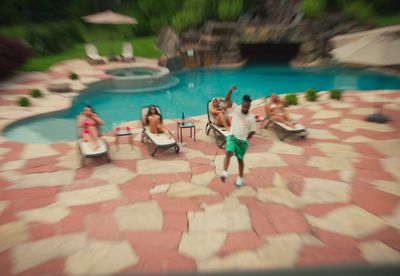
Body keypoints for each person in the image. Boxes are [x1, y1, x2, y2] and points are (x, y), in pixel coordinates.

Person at [220, 86, 256, 187]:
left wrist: (246, 139)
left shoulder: (251, 118)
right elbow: (227, 100)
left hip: (242, 142)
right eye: (244, 105)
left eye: (247, 106)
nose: (245, 107)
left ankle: (240, 179)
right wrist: (230, 90)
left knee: (240, 160)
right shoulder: (236, 108)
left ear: (249, 106)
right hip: (232, 137)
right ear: (242, 104)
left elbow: (253, 131)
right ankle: (225, 173)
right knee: (228, 152)